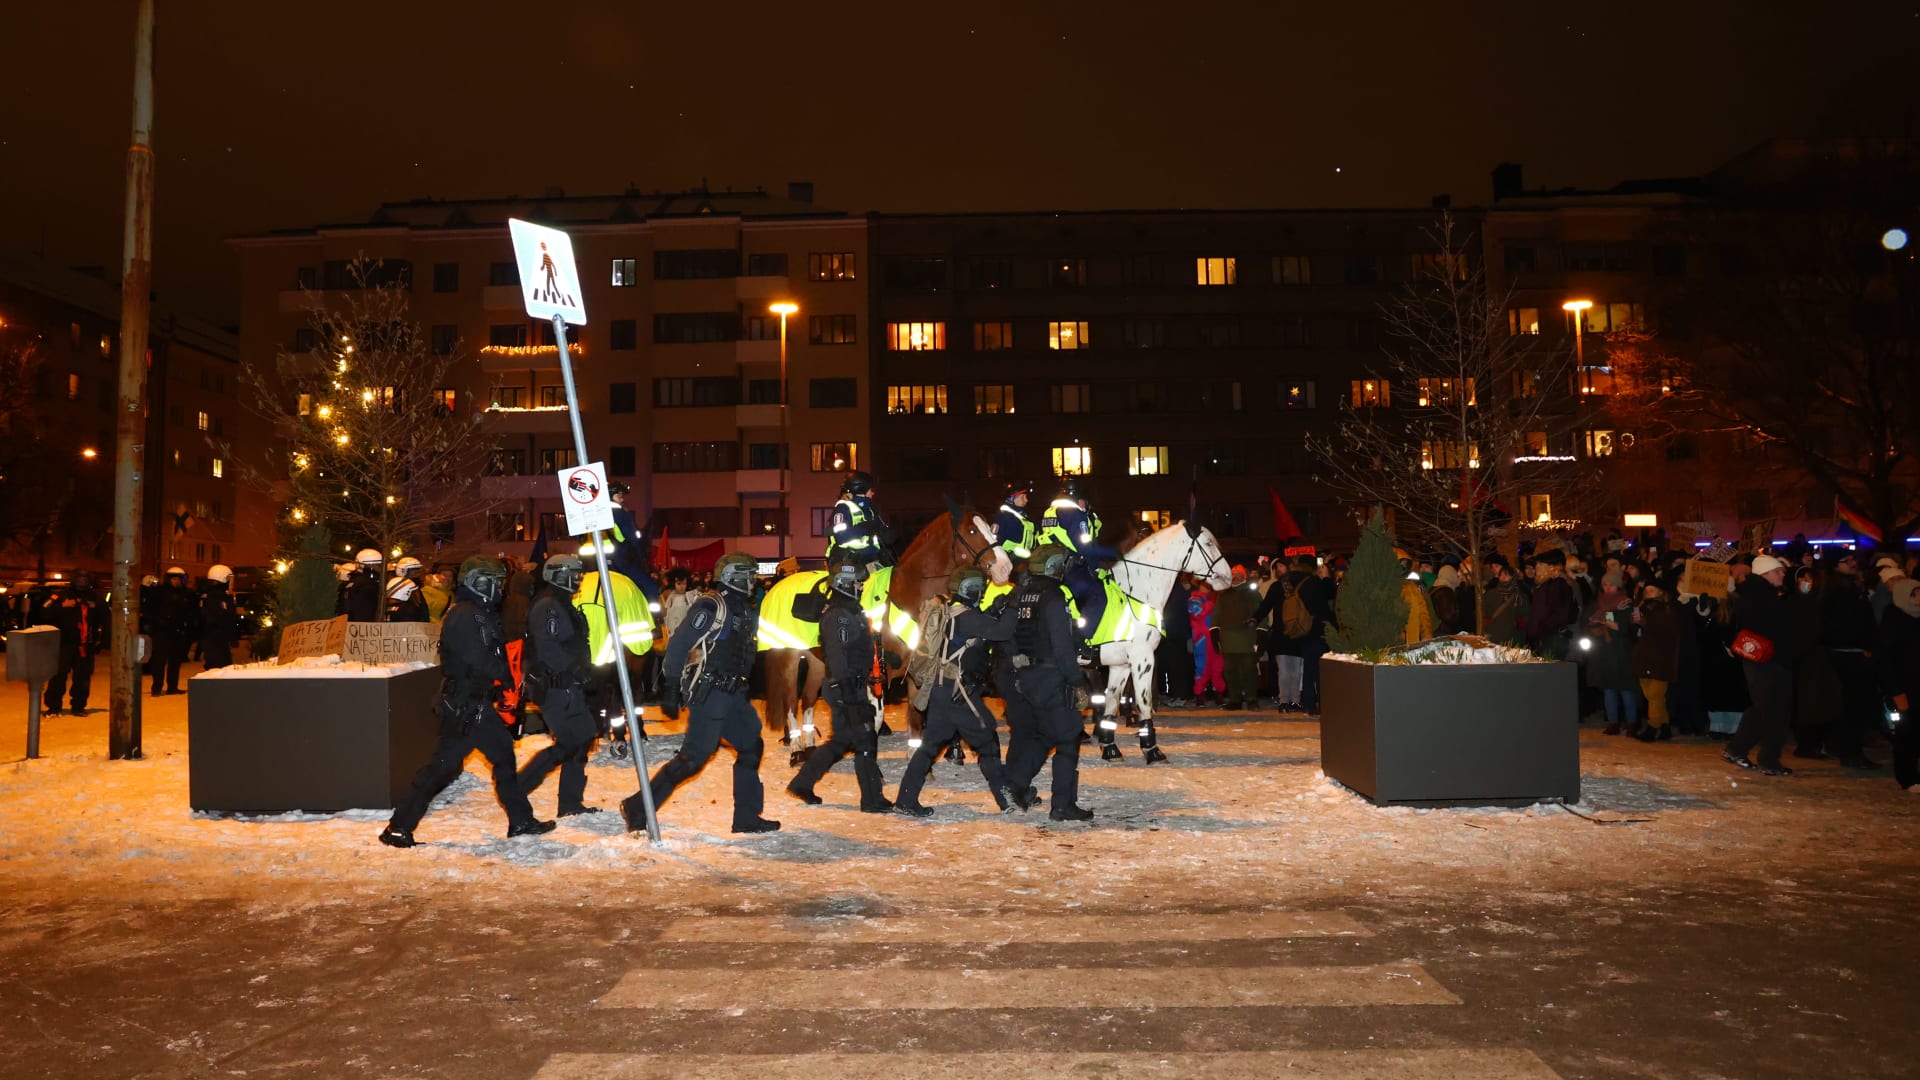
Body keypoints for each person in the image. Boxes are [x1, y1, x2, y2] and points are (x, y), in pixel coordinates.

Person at [380, 557, 553, 847]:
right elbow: (478, 659)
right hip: (464, 707)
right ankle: (398, 827)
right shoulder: (465, 614)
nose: (500, 589)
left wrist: (500, 685)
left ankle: (521, 820)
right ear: (480, 582)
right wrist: (501, 675)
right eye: (495, 583)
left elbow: (483, 657)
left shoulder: (478, 612)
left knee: (502, 757)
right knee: (440, 768)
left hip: (475, 703)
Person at [646, 552, 781, 833]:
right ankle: (638, 808)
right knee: (692, 760)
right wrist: (671, 687)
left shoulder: (740, 606)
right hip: (711, 695)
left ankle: (746, 818)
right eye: (748, 575)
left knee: (751, 746)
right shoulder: (711, 605)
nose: (752, 581)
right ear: (733, 576)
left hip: (732, 695)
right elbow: (679, 644)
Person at [893, 567, 1018, 816]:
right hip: (957, 691)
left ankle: (905, 799)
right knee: (987, 740)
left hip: (942, 689)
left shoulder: (953, 611)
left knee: (930, 746)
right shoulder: (968, 617)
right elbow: (1003, 631)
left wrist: (995, 610)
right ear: (973, 589)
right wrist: (1013, 605)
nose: (982, 593)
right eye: (980, 588)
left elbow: (981, 628)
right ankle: (1006, 799)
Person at [788, 555, 893, 812]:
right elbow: (837, 654)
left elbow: (858, 646)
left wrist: (885, 655)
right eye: (858, 583)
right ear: (845, 583)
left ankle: (802, 782)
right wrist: (847, 689)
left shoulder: (850, 612)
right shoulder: (839, 616)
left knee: (841, 742)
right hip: (844, 686)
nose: (861, 587)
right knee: (866, 741)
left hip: (850, 685)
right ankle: (871, 800)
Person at [1003, 544, 1093, 821]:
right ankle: (1063, 805)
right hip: (1052, 676)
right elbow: (1061, 645)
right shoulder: (1053, 597)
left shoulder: (1024, 594)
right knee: (1069, 737)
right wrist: (1076, 680)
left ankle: (1015, 782)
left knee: (1046, 733)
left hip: (1029, 676)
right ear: (1055, 566)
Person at [517, 554, 600, 818]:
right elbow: (548, 647)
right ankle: (517, 787)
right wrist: (576, 670)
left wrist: (587, 671)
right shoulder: (548, 606)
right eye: (573, 575)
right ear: (558, 576)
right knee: (569, 742)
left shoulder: (564, 604)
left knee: (583, 736)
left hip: (569, 686)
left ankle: (570, 803)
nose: (578, 580)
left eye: (580, 575)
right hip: (553, 686)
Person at [1725, 554, 1801, 776]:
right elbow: (1777, 627)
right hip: (1768, 659)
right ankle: (1768, 759)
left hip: (1762, 659)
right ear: (1765, 574)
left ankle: (1737, 748)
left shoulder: (1757, 594)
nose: (1782, 574)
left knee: (1763, 708)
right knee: (1775, 710)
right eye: (1778, 571)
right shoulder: (1762, 597)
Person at [1819, 552, 1882, 769]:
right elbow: (1846, 624)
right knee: (1854, 704)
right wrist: (1863, 644)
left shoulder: (1846, 588)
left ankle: (1846, 747)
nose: (1853, 564)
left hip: (1850, 651)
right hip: (1849, 653)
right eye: (1846, 561)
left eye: (1852, 560)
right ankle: (1851, 751)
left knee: (1852, 704)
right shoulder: (1839, 591)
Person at [1038, 478, 1113, 627]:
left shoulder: (1049, 512)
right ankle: (1086, 636)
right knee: (1099, 595)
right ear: (1076, 497)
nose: (1085, 504)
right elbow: (1083, 547)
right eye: (1084, 500)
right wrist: (1110, 554)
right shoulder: (1075, 514)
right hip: (1071, 568)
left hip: (1048, 567)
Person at [1874, 577, 1920, 791]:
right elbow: (1886, 661)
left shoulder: (1916, 618)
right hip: (1903, 688)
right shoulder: (1894, 620)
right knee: (1906, 735)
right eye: (1915, 593)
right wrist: (1895, 692)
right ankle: (1908, 777)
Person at [41, 574, 106, 715]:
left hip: (85, 645)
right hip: (63, 644)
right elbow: (44, 611)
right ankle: (53, 706)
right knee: (58, 675)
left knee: (82, 678)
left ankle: (78, 706)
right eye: (79, 579)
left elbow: (106, 618)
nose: (82, 581)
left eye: (85, 579)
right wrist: (62, 606)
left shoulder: (95, 598)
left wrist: (102, 641)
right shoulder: (60, 596)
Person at [1631, 582, 1683, 741]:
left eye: (1652, 590)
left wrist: (1645, 623)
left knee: (1655, 694)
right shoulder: (1641, 607)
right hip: (1644, 656)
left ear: (1661, 592)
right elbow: (1632, 630)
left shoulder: (1668, 609)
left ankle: (1653, 727)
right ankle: (1665, 726)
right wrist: (1635, 618)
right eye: (1646, 590)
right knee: (1652, 695)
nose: (1648, 593)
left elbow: (1667, 632)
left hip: (1661, 657)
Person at [1211, 565, 1260, 709]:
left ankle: (1251, 699)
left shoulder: (1252, 594)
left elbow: (1260, 614)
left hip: (1247, 639)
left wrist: (1261, 634)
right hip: (1227, 639)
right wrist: (1214, 633)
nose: (1235, 576)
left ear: (1244, 576)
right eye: (1232, 573)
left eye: (1238, 573)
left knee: (1248, 671)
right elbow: (1217, 616)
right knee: (1230, 671)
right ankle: (1235, 699)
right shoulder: (1224, 595)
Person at [605, 480, 661, 601]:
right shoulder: (621, 514)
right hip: (623, 561)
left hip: (601, 564)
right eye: (619, 496)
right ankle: (653, 614)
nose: (622, 499)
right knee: (649, 586)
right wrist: (642, 558)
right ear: (610, 496)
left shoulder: (598, 515)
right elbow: (633, 539)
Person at [826, 470, 892, 567]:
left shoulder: (871, 509)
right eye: (871, 490)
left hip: (872, 559)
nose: (873, 493)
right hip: (847, 560)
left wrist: (887, 535)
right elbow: (841, 537)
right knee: (852, 579)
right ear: (861, 489)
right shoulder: (843, 508)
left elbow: (879, 531)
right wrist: (865, 528)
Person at [148, 566, 196, 695]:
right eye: (174, 579)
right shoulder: (160, 592)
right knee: (159, 660)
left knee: (175, 661)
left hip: (178, 632)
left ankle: (172, 687)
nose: (176, 582)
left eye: (178, 579)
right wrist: (158, 623)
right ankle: (157, 687)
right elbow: (151, 610)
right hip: (162, 631)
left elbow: (190, 612)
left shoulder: (186, 594)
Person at [1526, 550, 1579, 659]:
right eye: (1537, 564)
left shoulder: (1559, 585)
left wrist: (1540, 631)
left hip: (1552, 640)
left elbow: (1560, 616)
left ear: (1552, 567)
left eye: (1541, 564)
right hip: (1545, 639)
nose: (1536, 567)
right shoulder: (1545, 585)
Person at [1479, 555, 1531, 646]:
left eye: (1506, 575)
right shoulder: (1491, 593)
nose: (1502, 577)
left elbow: (1525, 617)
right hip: (1494, 637)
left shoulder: (1520, 596)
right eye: (1501, 575)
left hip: (1512, 638)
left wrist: (1517, 625)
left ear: (1513, 577)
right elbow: (1485, 613)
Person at [198, 564, 240, 670]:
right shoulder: (213, 597)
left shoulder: (220, 596)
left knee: (224, 666)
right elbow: (223, 619)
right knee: (217, 668)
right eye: (228, 579)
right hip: (214, 640)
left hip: (219, 640)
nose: (231, 582)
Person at [992, 481, 1037, 562]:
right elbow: (995, 540)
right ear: (1012, 498)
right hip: (1009, 560)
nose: (1026, 500)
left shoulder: (1024, 515)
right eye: (1023, 497)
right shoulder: (1003, 516)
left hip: (1025, 560)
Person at [337, 549, 385, 622]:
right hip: (363, 625)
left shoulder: (355, 582)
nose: (379, 568)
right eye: (375, 565)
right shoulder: (367, 584)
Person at [386, 557, 430, 623]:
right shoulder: (404, 586)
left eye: (418, 570)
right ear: (403, 570)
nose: (417, 574)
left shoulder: (415, 588)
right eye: (414, 570)